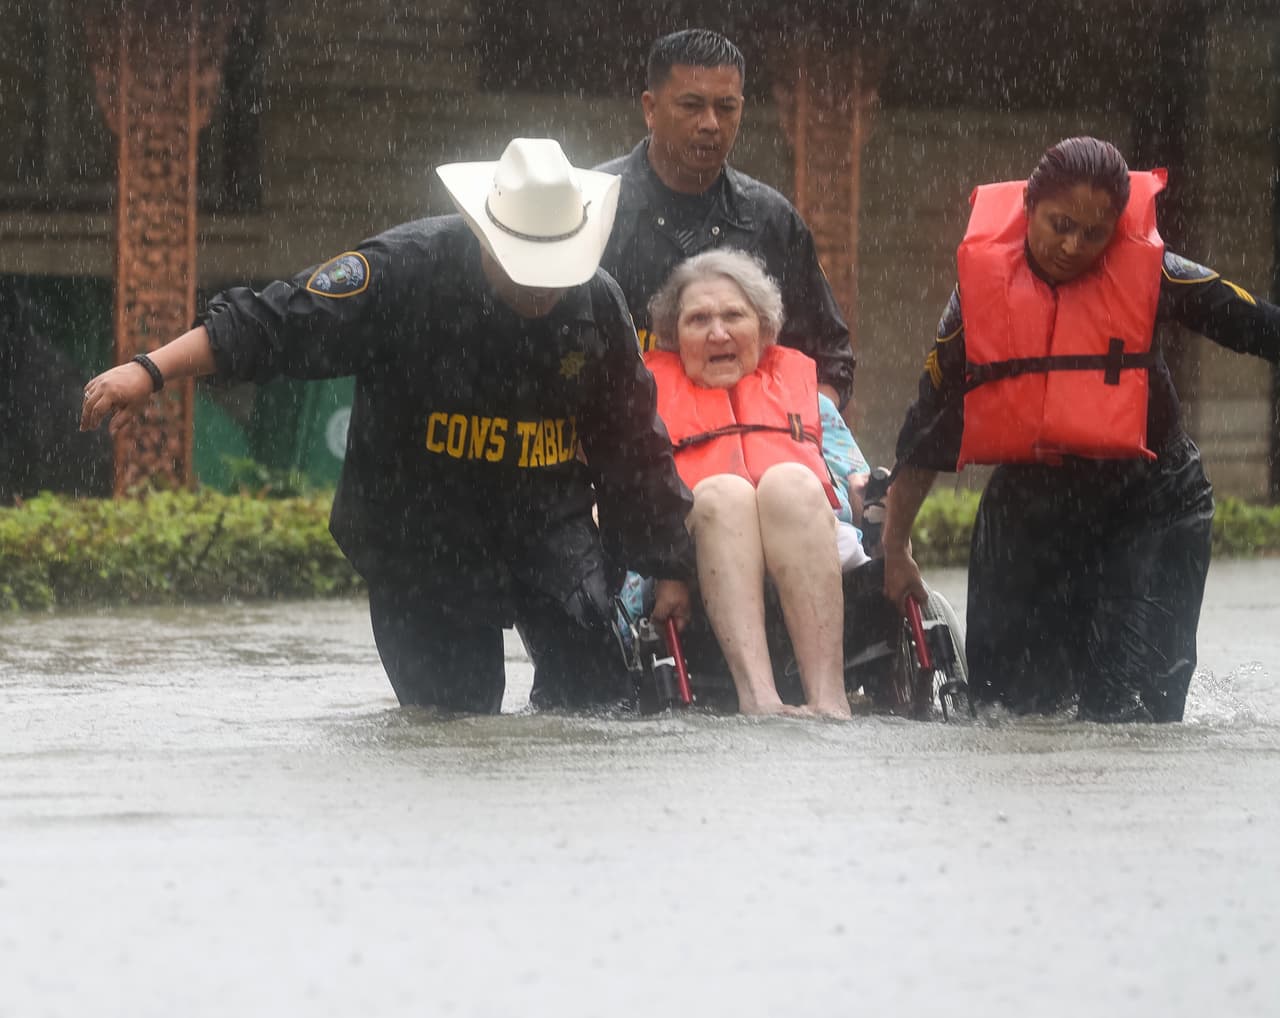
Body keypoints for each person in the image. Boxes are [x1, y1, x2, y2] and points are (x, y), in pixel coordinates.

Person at [80, 138, 695, 714]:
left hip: (549, 526)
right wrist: (149, 371)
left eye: (553, 271)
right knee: (453, 723)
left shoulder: (598, 299)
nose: (541, 290)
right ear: (484, 235)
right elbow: (276, 321)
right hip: (421, 530)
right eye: (524, 268)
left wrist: (666, 561)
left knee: (600, 705)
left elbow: (634, 444)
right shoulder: (402, 272)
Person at [882, 136, 1280, 723]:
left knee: (1129, 713)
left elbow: (1254, 323)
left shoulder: (1154, 270)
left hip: (1153, 504)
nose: (1073, 246)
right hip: (1032, 510)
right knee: (1007, 713)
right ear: (1029, 208)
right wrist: (895, 547)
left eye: (1094, 234)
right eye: (1060, 224)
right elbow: (926, 426)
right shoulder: (976, 301)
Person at [643, 248, 859, 719]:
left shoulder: (810, 403)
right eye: (698, 319)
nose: (717, 332)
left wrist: (877, 498)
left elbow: (853, 481)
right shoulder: (648, 417)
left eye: (733, 316)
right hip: (696, 554)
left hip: (808, 538)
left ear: (762, 330)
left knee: (788, 482)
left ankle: (830, 699)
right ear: (674, 339)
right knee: (725, 492)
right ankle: (759, 697)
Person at [596, 28, 855, 412]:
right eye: (691, 105)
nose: (710, 123)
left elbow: (831, 358)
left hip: (751, 457)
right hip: (620, 455)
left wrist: (799, 437)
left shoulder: (772, 221)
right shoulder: (596, 208)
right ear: (650, 108)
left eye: (726, 107)